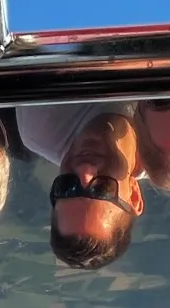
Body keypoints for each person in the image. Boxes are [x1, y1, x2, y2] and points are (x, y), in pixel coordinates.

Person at [21, 103, 144, 270]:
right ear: (134, 196)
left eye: (68, 186)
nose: (84, 170)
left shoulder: (42, 126)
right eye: (102, 189)